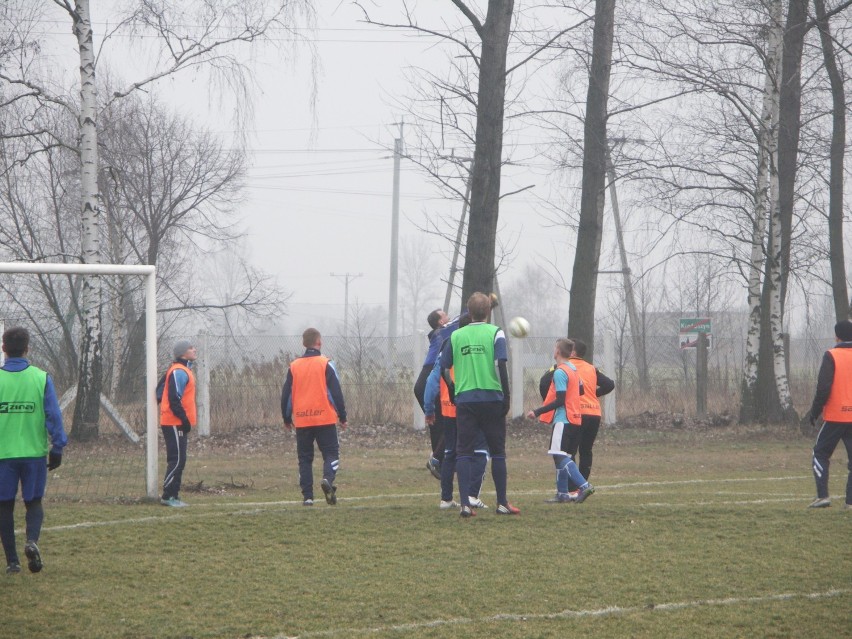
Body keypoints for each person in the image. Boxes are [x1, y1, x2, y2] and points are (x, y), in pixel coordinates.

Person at [441, 292, 518, 517]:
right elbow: (500, 365)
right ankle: (502, 503)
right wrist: (507, 395)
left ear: (468, 310)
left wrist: (454, 389)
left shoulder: (456, 336)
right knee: (498, 452)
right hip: (492, 398)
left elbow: (445, 368)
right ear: (489, 311)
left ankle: (465, 504)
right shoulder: (496, 333)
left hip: (466, 400)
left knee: (463, 451)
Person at [0, 326, 67, 574]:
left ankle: (12, 562)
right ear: (27, 348)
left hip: (3, 455)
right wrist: (57, 446)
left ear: (4, 348)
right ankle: (31, 541)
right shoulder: (41, 377)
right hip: (33, 454)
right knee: (34, 502)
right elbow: (53, 415)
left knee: (4, 506)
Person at [416, 295, 498, 480]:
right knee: (453, 424)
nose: (448, 317)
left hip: (429, 381)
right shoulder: (444, 330)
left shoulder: (443, 334)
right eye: (444, 315)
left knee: (448, 427)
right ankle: (440, 460)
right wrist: (488, 303)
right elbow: (466, 316)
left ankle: (442, 461)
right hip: (430, 379)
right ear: (440, 322)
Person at [424, 316, 489, 510]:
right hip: (469, 406)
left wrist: (429, 409)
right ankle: (472, 495)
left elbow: (432, 380)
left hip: (448, 408)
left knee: (450, 452)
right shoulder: (473, 348)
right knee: (479, 450)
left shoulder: (447, 346)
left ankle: (446, 499)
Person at [281, 328, 348, 506]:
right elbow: (336, 393)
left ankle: (308, 497)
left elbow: (286, 395)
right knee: (331, 453)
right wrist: (342, 416)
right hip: (324, 418)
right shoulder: (326, 363)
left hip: (302, 420)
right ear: (318, 342)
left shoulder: (294, 366)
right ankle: (327, 479)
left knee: (304, 458)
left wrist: (287, 418)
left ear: (304, 343)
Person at [527, 338, 595, 504]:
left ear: (558, 351)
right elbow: (580, 390)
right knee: (564, 456)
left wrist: (537, 412)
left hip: (563, 420)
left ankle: (584, 485)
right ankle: (563, 494)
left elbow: (560, 400)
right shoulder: (573, 369)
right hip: (575, 419)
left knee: (559, 455)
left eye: (554, 348)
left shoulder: (560, 372)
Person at [806, 320, 852, 510]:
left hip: (835, 415)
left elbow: (823, 388)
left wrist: (814, 412)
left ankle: (823, 496)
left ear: (837, 336)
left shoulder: (832, 355)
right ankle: (850, 502)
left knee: (820, 453)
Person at [566, 338, 615, 488]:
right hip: (594, 414)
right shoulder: (591, 368)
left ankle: (574, 486)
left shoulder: (566, 366)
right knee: (586, 450)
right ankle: (583, 484)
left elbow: (545, 382)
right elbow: (609, 384)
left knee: (570, 451)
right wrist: (595, 394)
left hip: (577, 413)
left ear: (573, 352)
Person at [159, 339, 198, 507]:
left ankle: (174, 494)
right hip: (174, 422)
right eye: (191, 348)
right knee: (176, 459)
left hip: (178, 422)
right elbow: (175, 399)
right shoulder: (179, 371)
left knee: (181, 460)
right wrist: (184, 419)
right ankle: (167, 496)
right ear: (183, 353)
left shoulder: (184, 370)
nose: (194, 349)